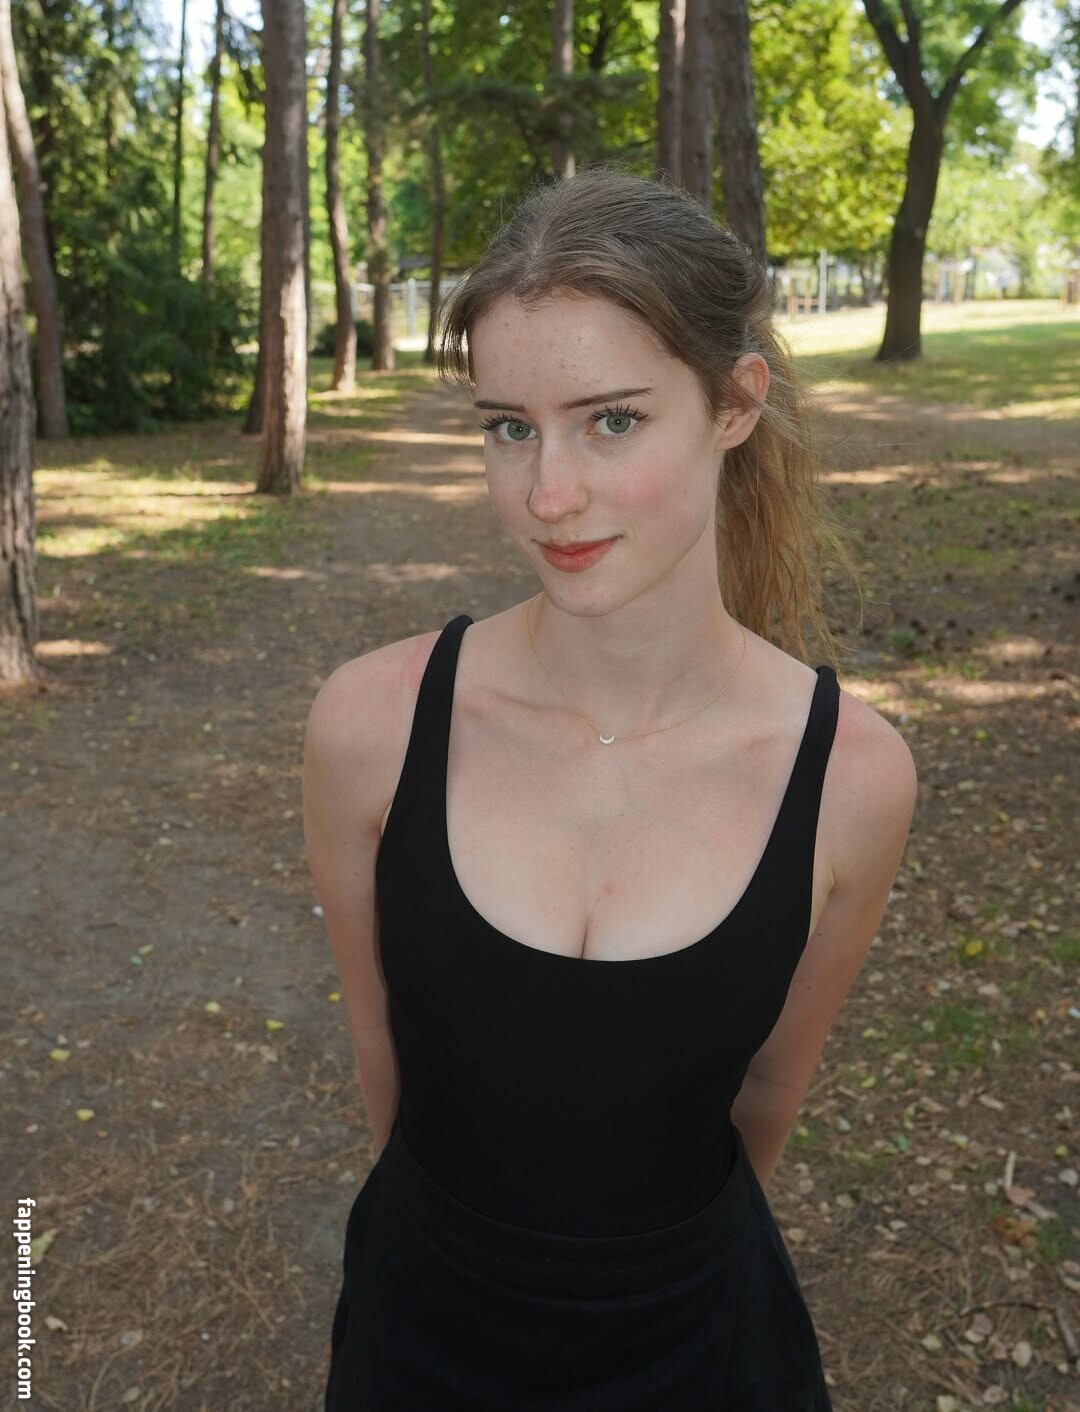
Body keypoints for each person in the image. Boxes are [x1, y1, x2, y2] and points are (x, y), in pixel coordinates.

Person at [303, 164, 918, 1410]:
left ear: (735, 403)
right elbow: (386, 1054)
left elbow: (766, 1093)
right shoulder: (372, 724)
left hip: (704, 1351)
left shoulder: (851, 776)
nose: (549, 495)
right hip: (420, 1333)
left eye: (613, 421)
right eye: (509, 426)